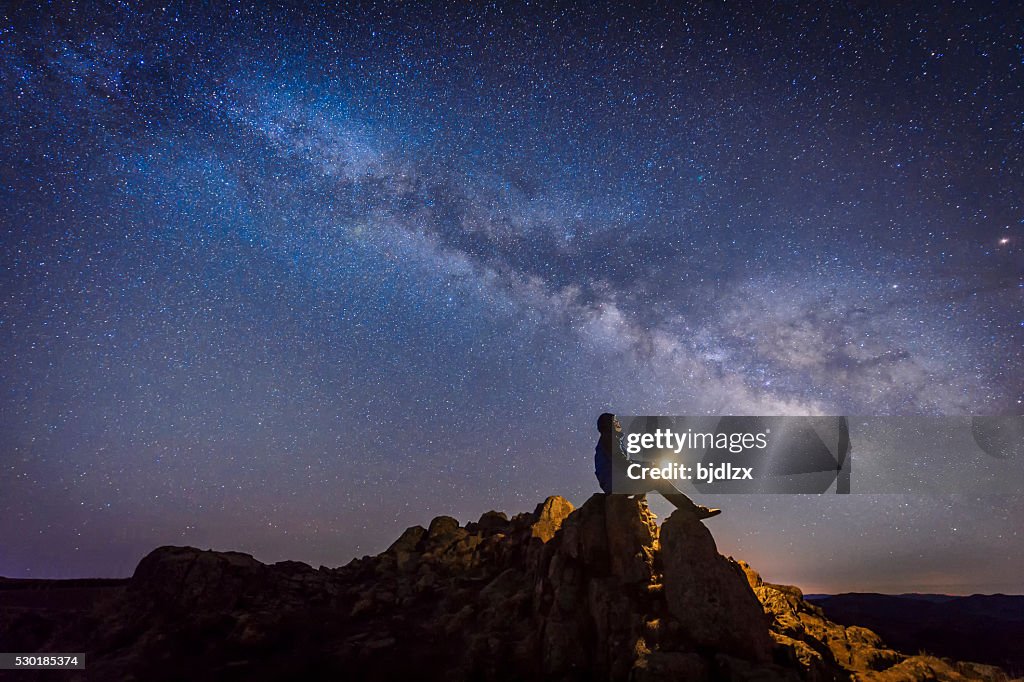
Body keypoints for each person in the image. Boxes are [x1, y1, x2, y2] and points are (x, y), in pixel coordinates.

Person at [595, 412, 721, 520]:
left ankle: (638, 505)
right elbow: (621, 463)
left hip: (612, 483)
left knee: (649, 473)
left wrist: (647, 465)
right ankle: (693, 510)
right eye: (615, 421)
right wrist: (644, 471)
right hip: (617, 484)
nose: (618, 423)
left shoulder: (606, 441)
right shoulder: (609, 438)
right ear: (609, 424)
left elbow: (621, 462)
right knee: (659, 481)